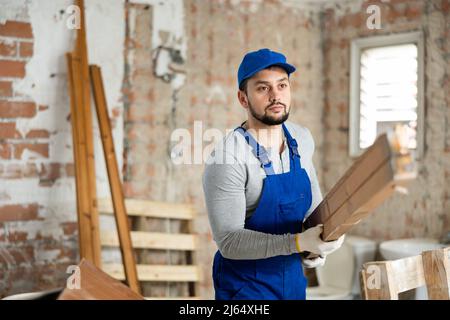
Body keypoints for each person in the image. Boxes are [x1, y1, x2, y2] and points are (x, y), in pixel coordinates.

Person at [202, 48, 345, 300]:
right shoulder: (227, 157)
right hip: (246, 290)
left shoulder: (301, 139)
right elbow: (230, 241)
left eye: (282, 85)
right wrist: (299, 243)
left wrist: (319, 247)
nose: (275, 96)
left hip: (292, 285)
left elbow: (312, 209)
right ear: (243, 99)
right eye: (262, 88)